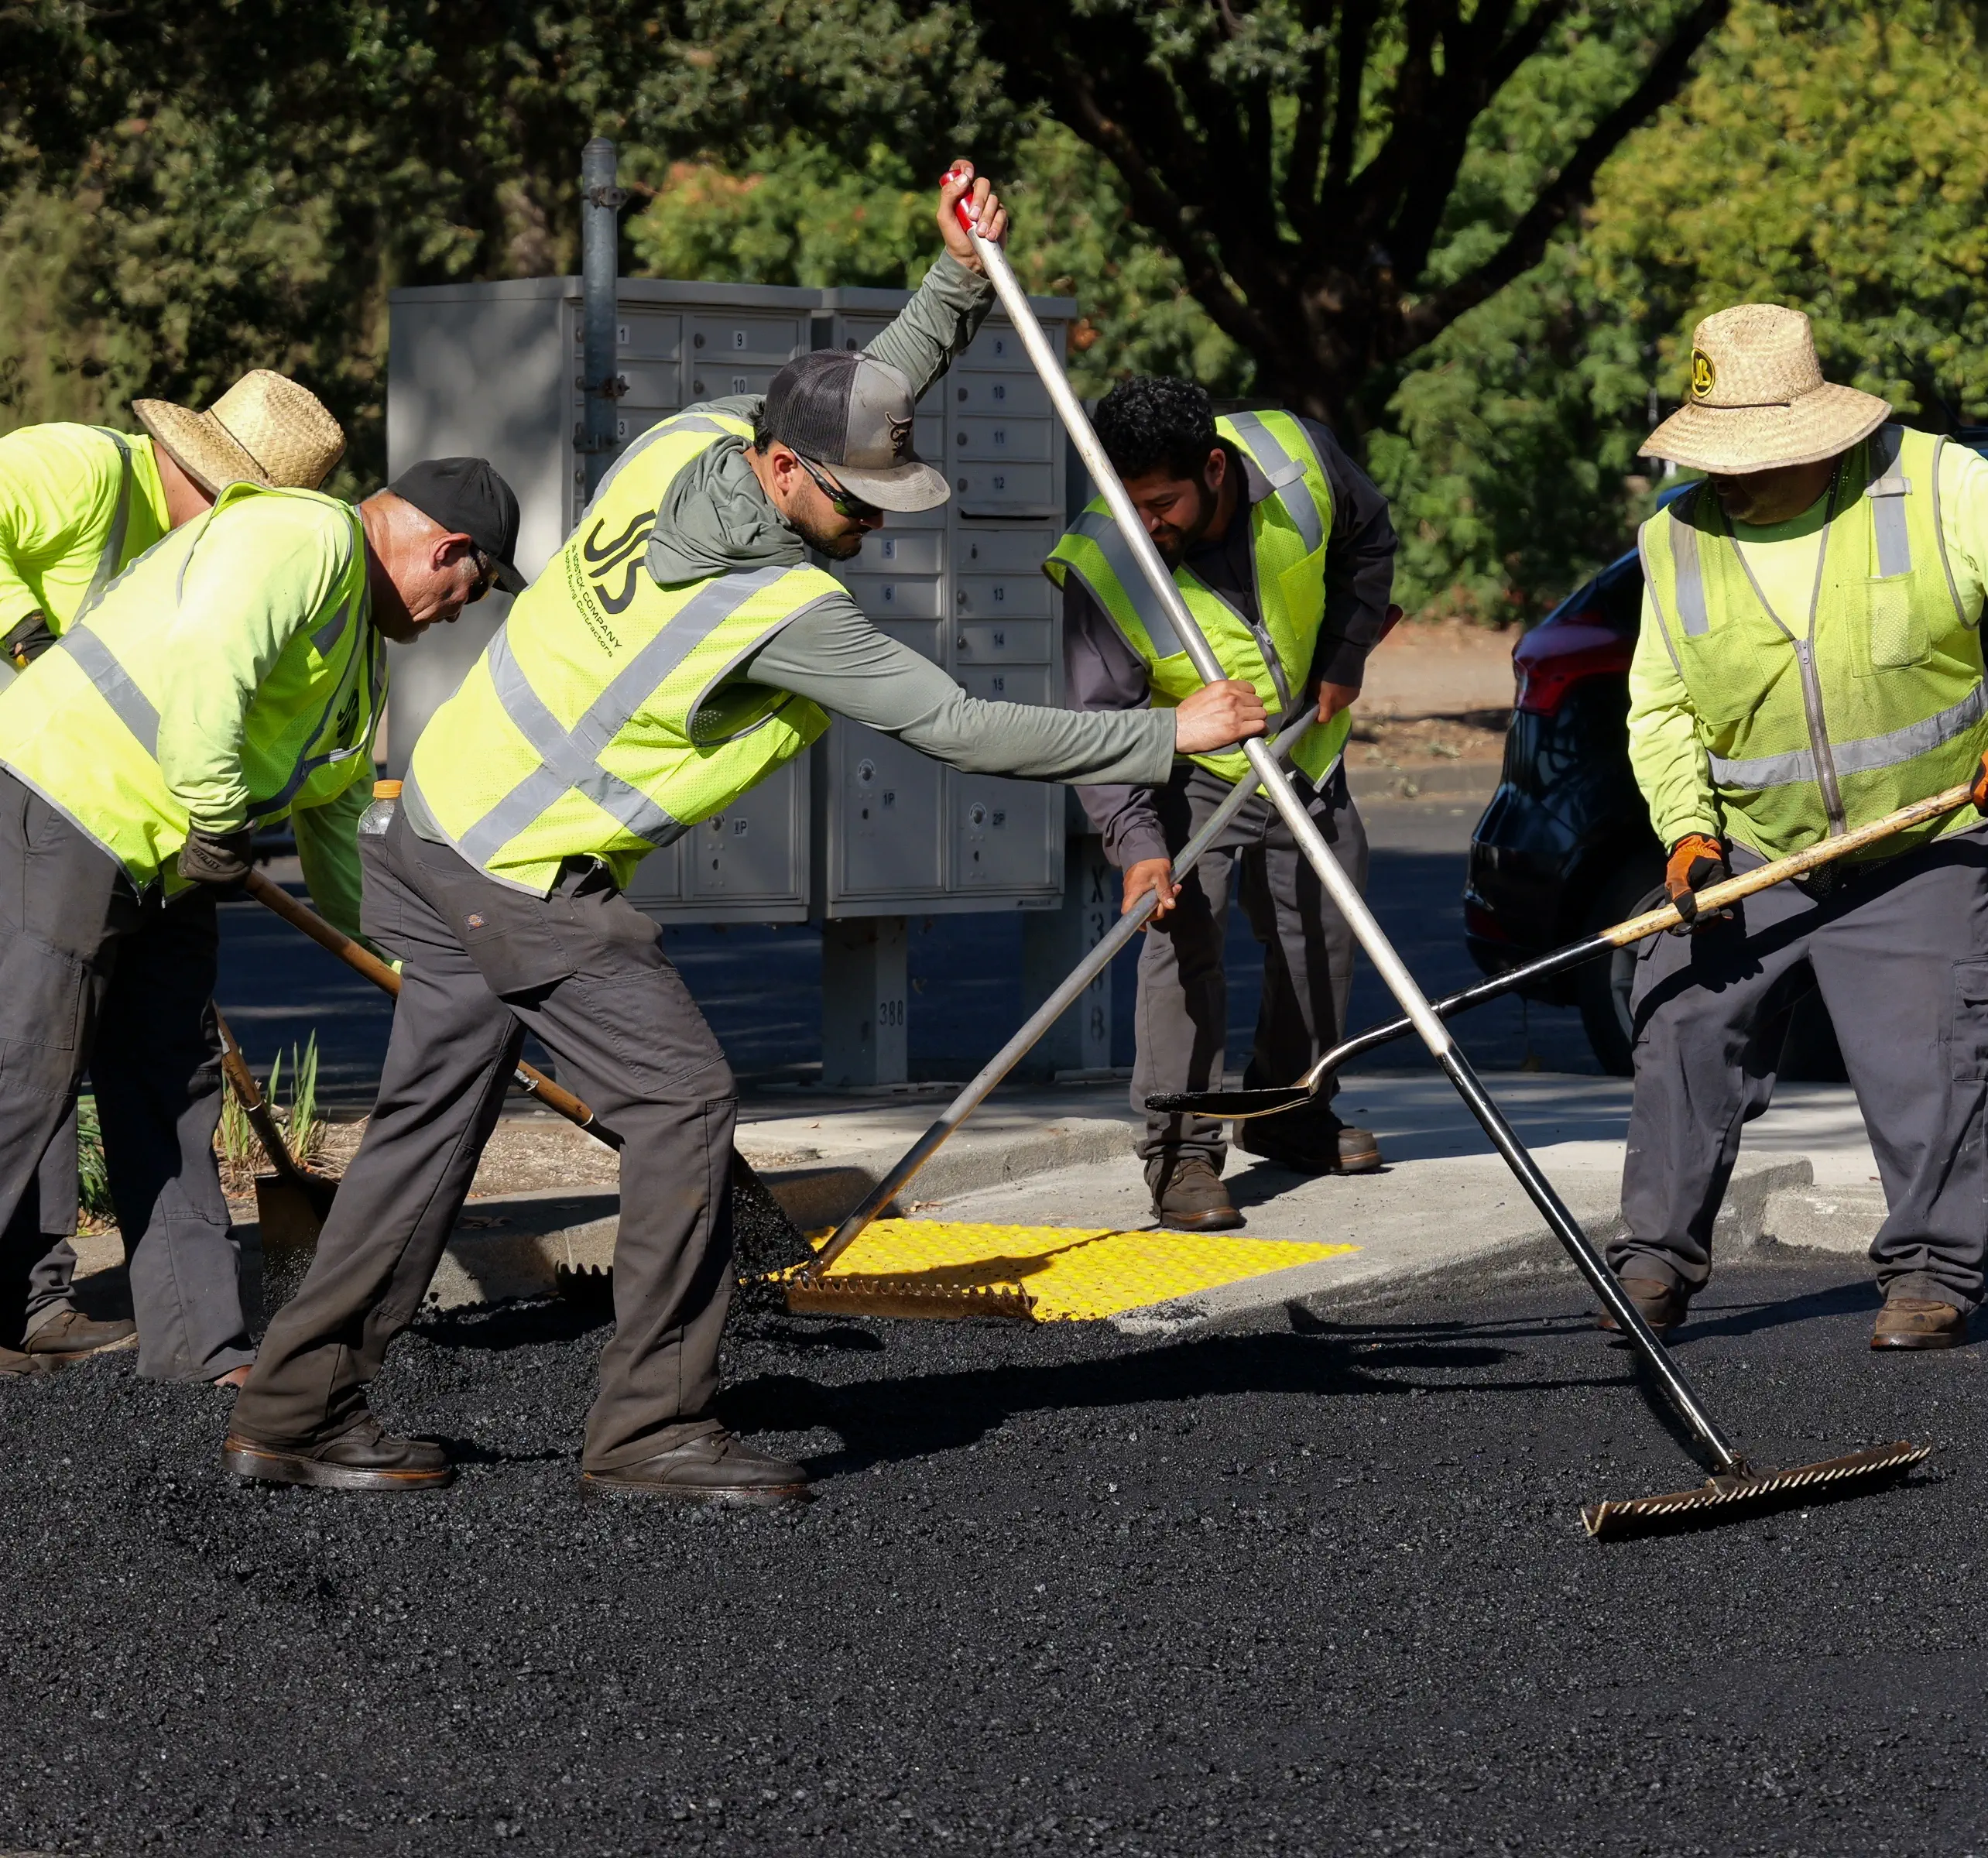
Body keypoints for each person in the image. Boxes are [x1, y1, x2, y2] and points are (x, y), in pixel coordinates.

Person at [223, 164, 1267, 1503]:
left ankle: (291, 1412)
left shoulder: (695, 437)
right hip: (526, 873)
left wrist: (955, 277)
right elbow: (957, 725)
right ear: (782, 472)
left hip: (437, 819)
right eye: (854, 504)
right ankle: (650, 1427)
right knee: (685, 1101)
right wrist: (1161, 739)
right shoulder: (775, 608)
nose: (872, 528)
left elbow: (867, 387)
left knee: (429, 1129)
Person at [0, 450, 520, 1386]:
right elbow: (212, 660)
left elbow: (332, 834)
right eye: (469, 594)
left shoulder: (362, 668)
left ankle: (200, 1348)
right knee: (22, 1070)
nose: (455, 617)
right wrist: (215, 817)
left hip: (167, 857)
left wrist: (421, 960)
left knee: (171, 1086)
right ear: (446, 550)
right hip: (62, 802)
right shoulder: (304, 535)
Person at [1608, 301, 1988, 1351]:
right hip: (1754, 849)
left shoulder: (1947, 488)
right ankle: (1654, 1265)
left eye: (1754, 452)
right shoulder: (1673, 540)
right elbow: (1663, 706)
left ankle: (1931, 1273)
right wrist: (1688, 834)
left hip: (1927, 839)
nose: (1729, 474)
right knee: (1678, 1009)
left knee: (1935, 1053)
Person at [0, 372, 348, 1375]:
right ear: (194, 463)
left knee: (143, 1062)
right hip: (37, 790)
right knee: (27, 1056)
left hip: (139, 832)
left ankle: (91, 1318)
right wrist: (28, 635)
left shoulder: (227, 557)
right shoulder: (80, 474)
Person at [1046, 377, 1398, 1232]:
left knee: (1321, 926)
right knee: (1181, 937)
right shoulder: (1105, 560)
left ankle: (1288, 1112)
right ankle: (1180, 1153)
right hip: (1189, 761)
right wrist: (1135, 842)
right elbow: (1102, 723)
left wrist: (1346, 658)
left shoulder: (1299, 460)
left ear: (1214, 469)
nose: (1146, 526)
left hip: (1304, 743)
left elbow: (1369, 538)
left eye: (1161, 504)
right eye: (1127, 505)